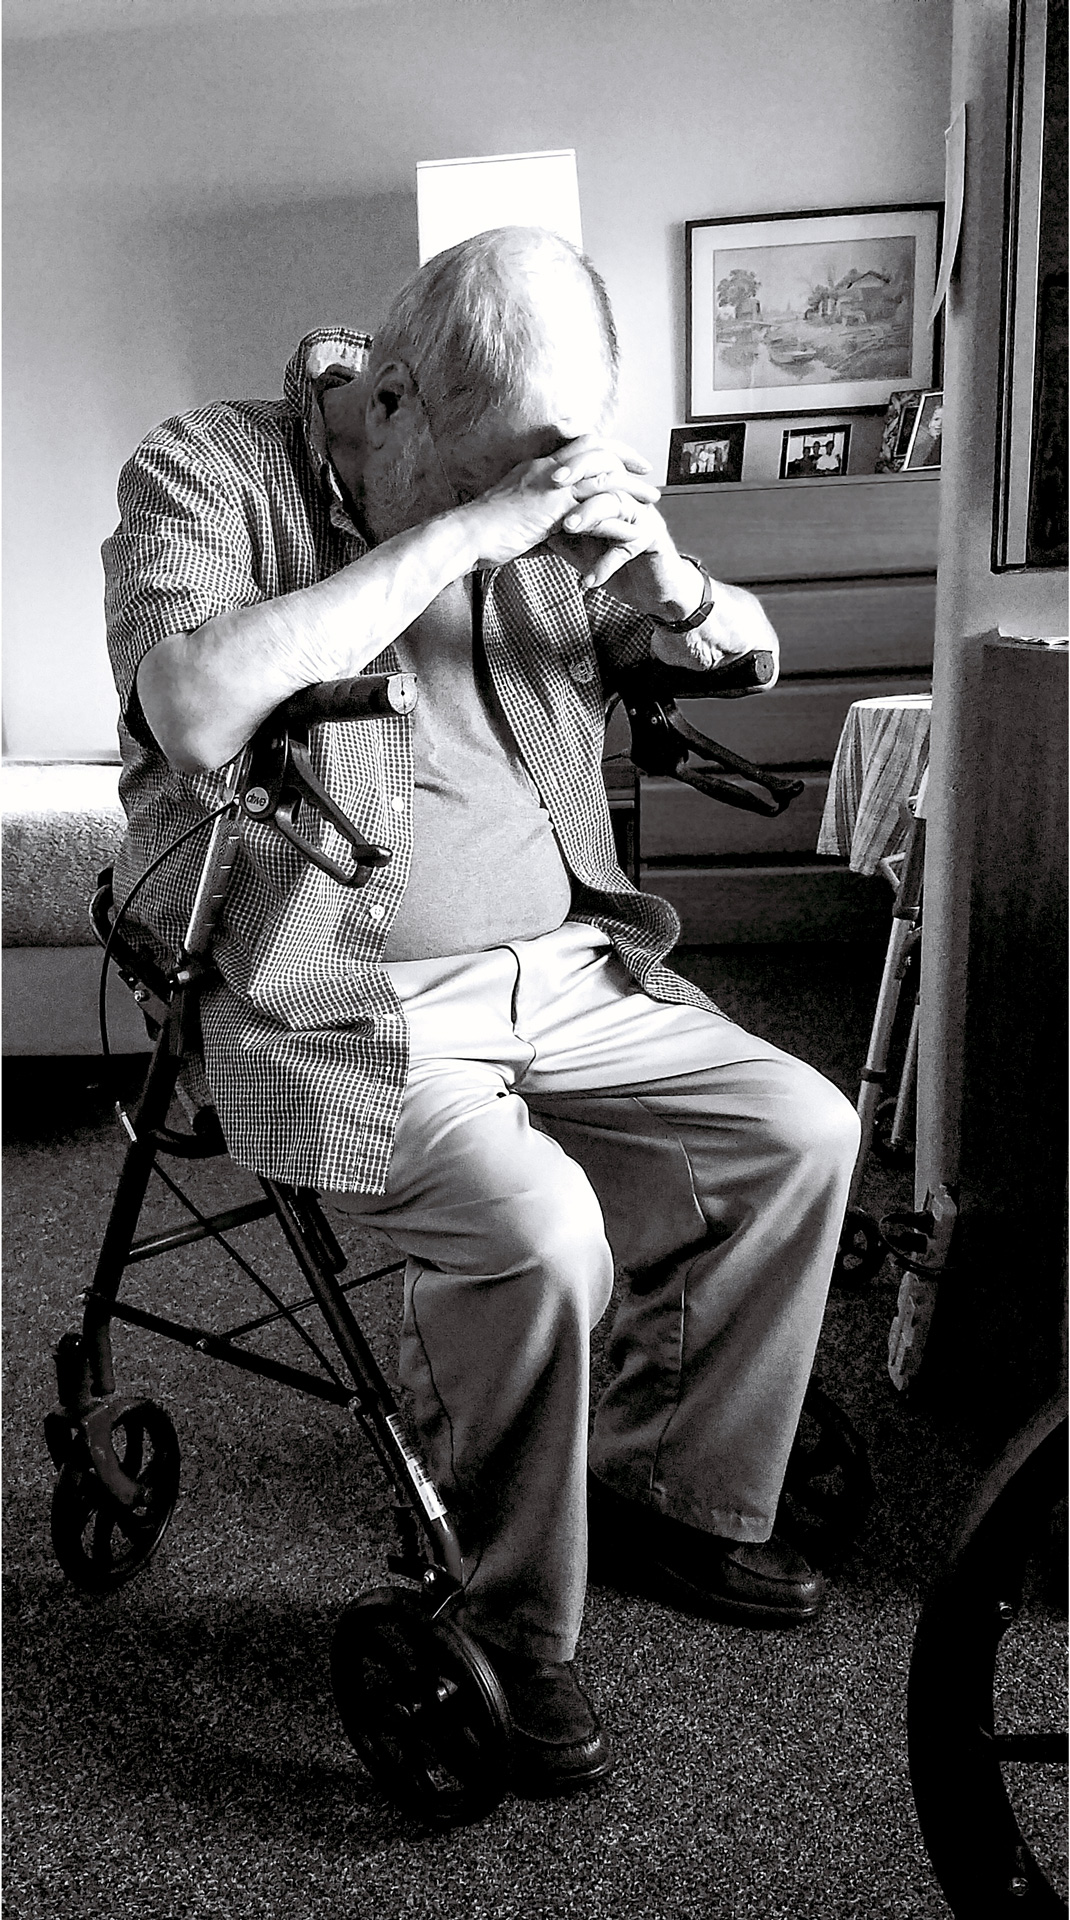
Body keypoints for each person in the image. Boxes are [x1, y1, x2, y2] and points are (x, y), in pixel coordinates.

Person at [103, 226, 859, 1798]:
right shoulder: (202, 473)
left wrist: (674, 585)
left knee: (800, 1128)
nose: (521, 508)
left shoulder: (518, 486)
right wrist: (458, 539)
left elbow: (737, 655)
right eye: (495, 473)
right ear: (388, 399)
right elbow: (191, 708)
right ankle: (509, 1617)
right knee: (538, 1231)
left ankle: (666, 1488)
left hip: (573, 972)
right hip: (328, 990)